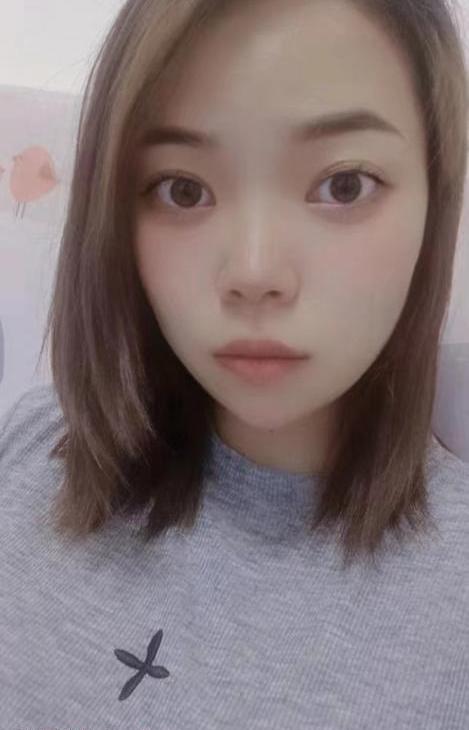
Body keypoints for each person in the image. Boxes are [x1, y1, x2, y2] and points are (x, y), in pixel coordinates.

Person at [1, 0, 469, 726]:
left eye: (343, 185)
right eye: (183, 189)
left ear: (435, 202)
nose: (253, 272)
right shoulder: (31, 454)